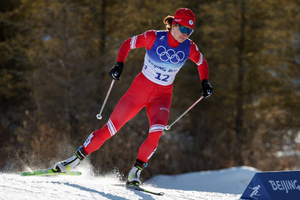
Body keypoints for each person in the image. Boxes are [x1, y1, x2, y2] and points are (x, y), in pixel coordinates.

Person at [53, 8, 213, 186]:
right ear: (174, 24)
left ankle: (135, 173)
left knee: (156, 134)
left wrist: (205, 82)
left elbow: (202, 62)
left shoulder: (189, 47)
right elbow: (127, 43)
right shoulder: (153, 37)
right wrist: (119, 64)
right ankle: (73, 161)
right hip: (138, 92)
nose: (186, 34)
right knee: (110, 129)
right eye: (183, 29)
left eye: (190, 31)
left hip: (162, 97)